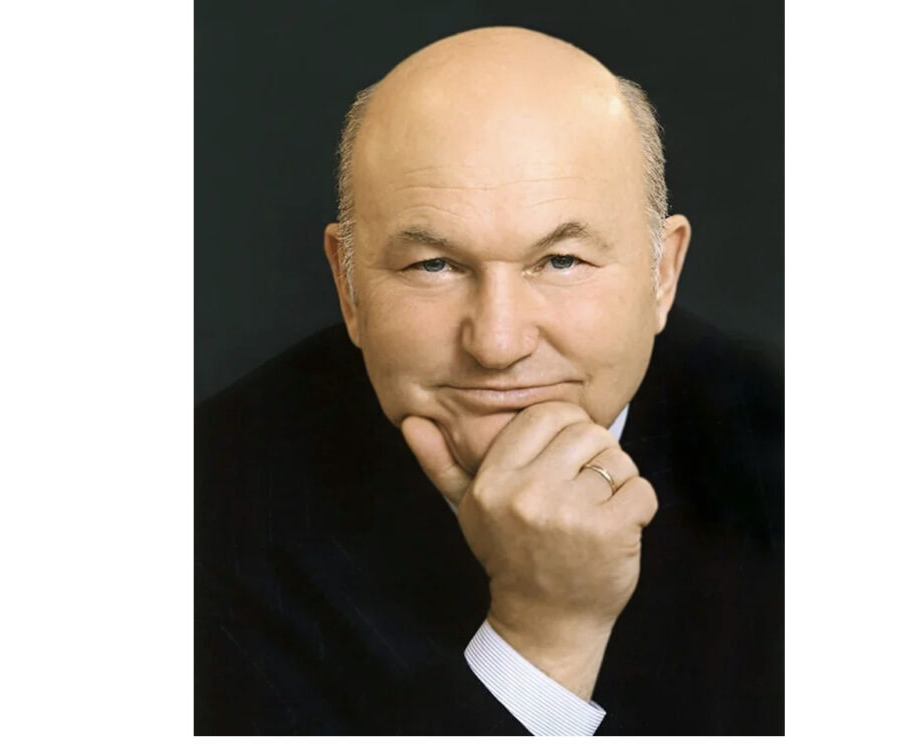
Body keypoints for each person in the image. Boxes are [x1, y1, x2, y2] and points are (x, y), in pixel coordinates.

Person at [195, 26, 783, 735]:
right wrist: (544, 640)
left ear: (663, 274)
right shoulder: (204, 513)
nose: (498, 345)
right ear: (348, 288)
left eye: (561, 261)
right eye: (434, 266)